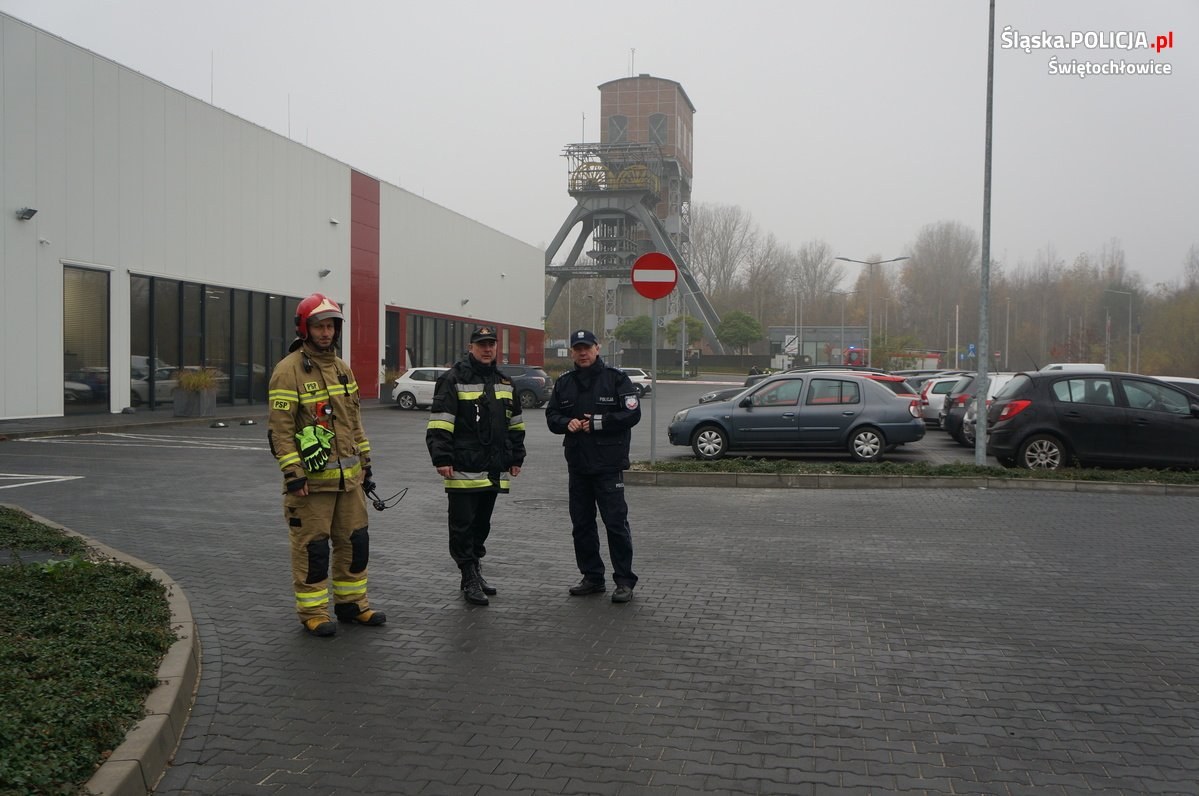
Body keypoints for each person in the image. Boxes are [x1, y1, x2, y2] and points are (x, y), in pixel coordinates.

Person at [267, 293, 384, 637]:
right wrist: (293, 475)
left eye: (331, 325)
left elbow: (354, 420)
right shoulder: (287, 371)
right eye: (319, 325)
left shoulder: (342, 368)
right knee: (313, 549)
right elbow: (281, 431)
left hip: (349, 482)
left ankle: (352, 605)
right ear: (305, 328)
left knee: (354, 543)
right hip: (311, 485)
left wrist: (366, 463)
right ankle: (313, 612)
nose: (326, 332)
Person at [425, 325, 526, 605]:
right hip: (462, 467)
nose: (487, 348)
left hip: (493, 469)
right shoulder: (453, 379)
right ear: (471, 347)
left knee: (482, 525)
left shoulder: (505, 382)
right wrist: (442, 458)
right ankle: (467, 574)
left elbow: (515, 424)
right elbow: (440, 423)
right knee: (462, 526)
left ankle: (475, 570)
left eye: (491, 344)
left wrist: (516, 457)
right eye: (481, 344)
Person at [545, 329, 641, 603]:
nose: (582, 352)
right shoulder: (564, 383)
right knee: (582, 525)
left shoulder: (616, 379)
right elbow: (552, 416)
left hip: (608, 466)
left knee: (615, 524)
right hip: (578, 466)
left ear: (598, 348)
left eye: (587, 347)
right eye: (577, 348)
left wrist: (598, 422)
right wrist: (567, 423)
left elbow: (632, 413)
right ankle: (592, 577)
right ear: (572, 352)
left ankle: (624, 580)